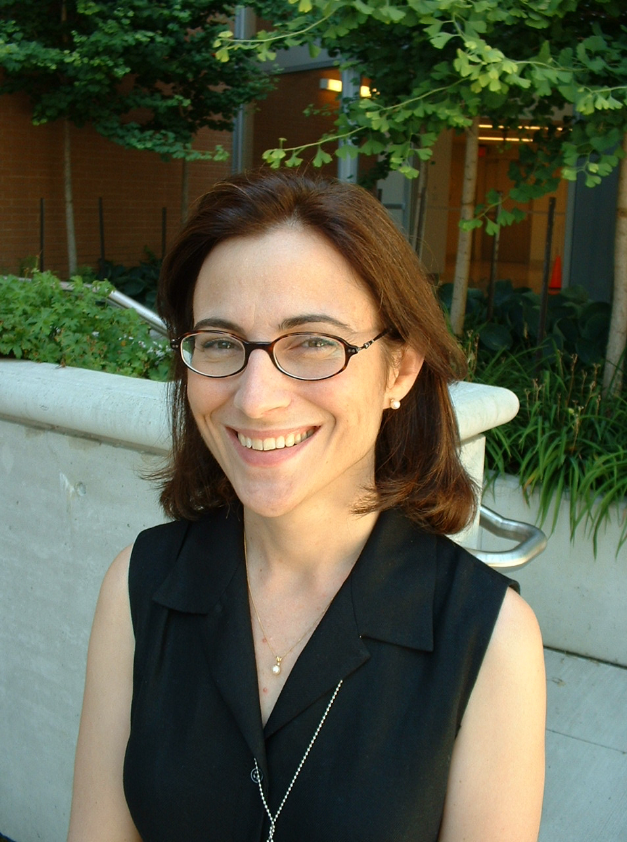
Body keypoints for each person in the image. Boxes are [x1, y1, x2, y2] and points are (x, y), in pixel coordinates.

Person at [67, 170, 546, 842]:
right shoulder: (140, 585)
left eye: (314, 342)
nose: (255, 397)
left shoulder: (487, 637)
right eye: (220, 343)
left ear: (400, 369)